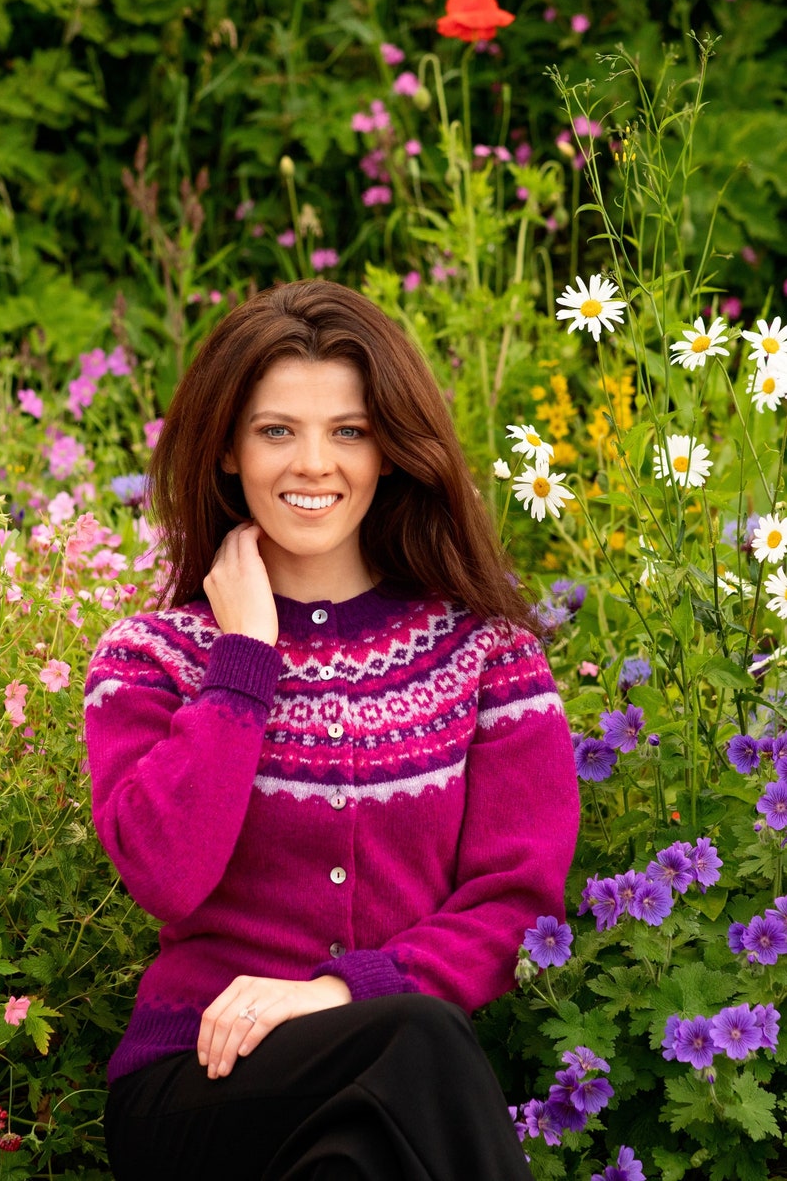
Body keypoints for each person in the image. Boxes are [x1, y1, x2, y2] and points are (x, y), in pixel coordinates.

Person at [85, 279, 580, 1180]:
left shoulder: (488, 656)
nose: (314, 462)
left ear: (389, 450)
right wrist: (242, 660)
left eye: (347, 430)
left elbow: (518, 901)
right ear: (228, 451)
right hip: (199, 1079)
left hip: (399, 1084)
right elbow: (165, 874)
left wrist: (335, 992)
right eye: (277, 430)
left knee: (366, 1145)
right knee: (414, 1051)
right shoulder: (150, 659)